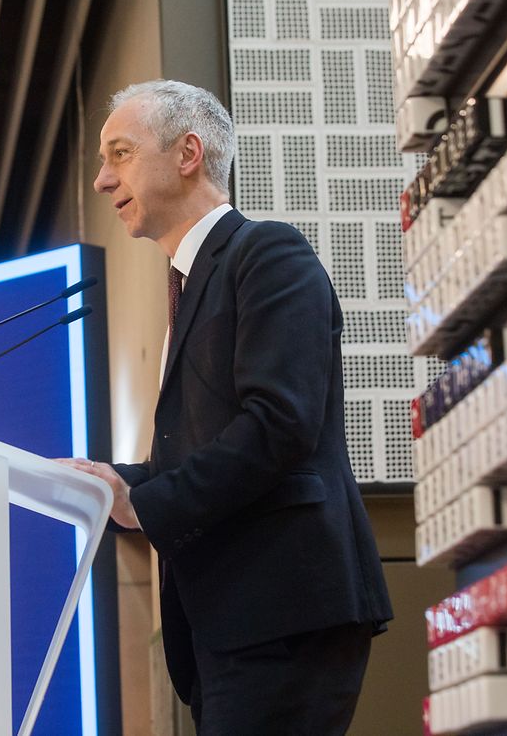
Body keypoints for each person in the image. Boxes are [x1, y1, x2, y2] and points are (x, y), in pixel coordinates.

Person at [58, 80, 393, 734]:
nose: (102, 180)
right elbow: (200, 453)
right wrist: (111, 484)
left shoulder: (268, 254)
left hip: (283, 610)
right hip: (227, 625)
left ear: (188, 154)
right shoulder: (188, 285)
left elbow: (279, 425)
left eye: (120, 153)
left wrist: (145, 503)